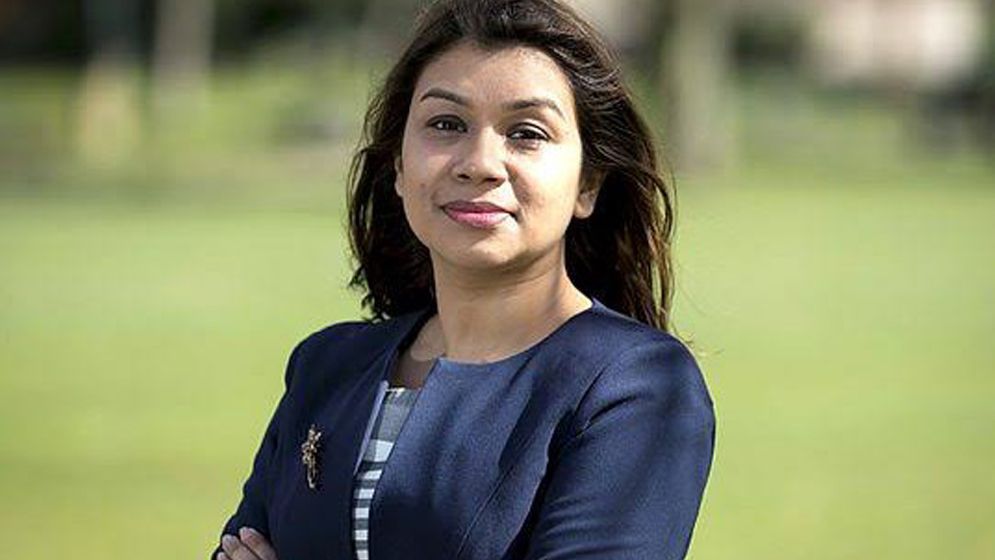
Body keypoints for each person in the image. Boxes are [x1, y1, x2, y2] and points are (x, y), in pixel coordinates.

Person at [212, 0, 715, 558]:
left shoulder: (633, 387)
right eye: (446, 125)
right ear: (399, 166)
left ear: (587, 184)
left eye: (526, 133)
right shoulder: (326, 368)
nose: (479, 163)